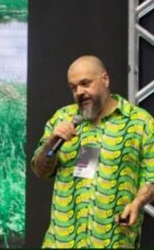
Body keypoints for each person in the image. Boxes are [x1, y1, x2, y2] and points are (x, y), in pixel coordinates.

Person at [31, 55, 154, 248]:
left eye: (85, 83)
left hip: (113, 240)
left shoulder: (139, 122)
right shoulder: (62, 118)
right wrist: (52, 143)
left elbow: (151, 176)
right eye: (73, 87)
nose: (80, 92)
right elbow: (40, 170)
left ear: (104, 79)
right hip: (62, 242)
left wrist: (138, 203)